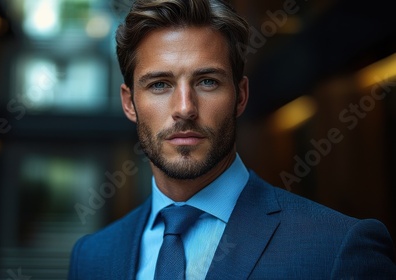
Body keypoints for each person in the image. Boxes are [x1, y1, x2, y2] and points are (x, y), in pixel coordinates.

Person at [69, 0, 396, 279]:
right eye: (159, 85)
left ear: (240, 96)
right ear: (129, 103)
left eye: (207, 82)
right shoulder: (92, 257)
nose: (185, 109)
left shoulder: (337, 248)